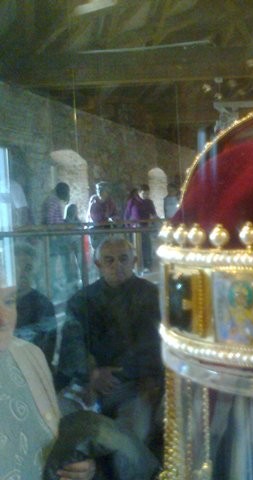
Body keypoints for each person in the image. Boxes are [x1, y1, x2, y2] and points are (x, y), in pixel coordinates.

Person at [65, 237, 163, 449]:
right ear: (98, 264)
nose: (116, 265)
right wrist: (91, 373)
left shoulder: (153, 296)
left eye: (123, 259)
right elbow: (72, 345)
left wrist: (130, 378)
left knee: (129, 439)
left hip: (138, 384)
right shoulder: (80, 301)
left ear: (134, 261)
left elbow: (153, 347)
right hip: (89, 383)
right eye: (109, 260)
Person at [0, 264, 96, 479]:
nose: (3, 319)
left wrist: (76, 469)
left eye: (8, 301)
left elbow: (53, 445)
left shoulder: (30, 355)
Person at [123, 184, 157, 271]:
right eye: (144, 193)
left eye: (147, 194)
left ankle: (147, 266)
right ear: (139, 192)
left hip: (145, 228)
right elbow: (127, 215)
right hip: (134, 229)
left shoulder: (149, 202)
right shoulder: (132, 201)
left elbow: (153, 214)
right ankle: (135, 266)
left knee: (146, 246)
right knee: (134, 248)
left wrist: (155, 220)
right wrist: (127, 228)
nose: (146, 195)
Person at [86, 181, 118, 248]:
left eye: (102, 190)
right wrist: (105, 217)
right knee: (97, 249)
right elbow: (93, 215)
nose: (99, 192)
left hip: (106, 229)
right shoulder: (93, 200)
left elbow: (115, 214)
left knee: (107, 248)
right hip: (95, 229)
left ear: (107, 191)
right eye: (98, 190)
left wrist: (113, 218)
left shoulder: (110, 202)